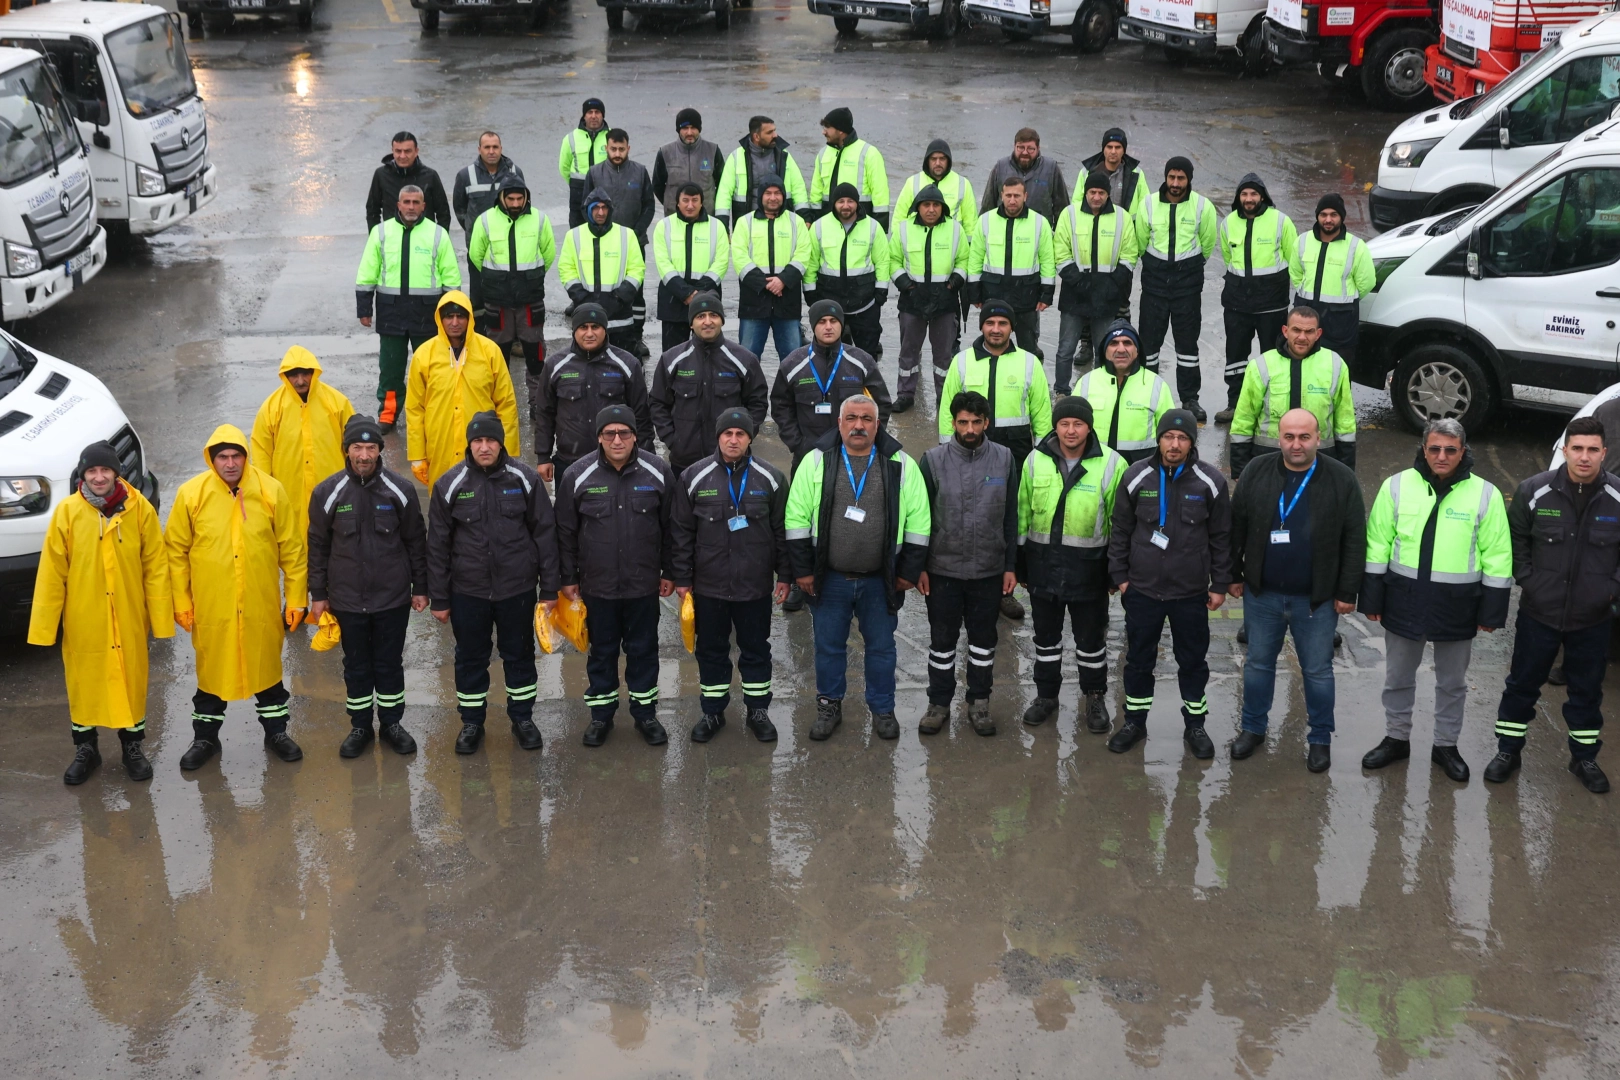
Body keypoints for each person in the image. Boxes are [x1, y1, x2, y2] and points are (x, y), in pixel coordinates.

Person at [1359, 419, 1510, 784]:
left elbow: (1498, 554)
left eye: (1451, 450)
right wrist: (1373, 596)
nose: (1442, 456)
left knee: (1452, 683)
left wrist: (1492, 609)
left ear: (1463, 451)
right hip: (1402, 600)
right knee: (1397, 677)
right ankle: (1397, 738)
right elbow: (1378, 543)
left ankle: (1446, 745)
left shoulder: (1485, 494)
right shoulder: (1395, 486)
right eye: (1434, 449)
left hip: (1458, 604)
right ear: (1423, 449)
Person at [784, 395, 930, 742]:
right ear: (839, 423)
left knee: (881, 647)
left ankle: (882, 709)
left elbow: (920, 522)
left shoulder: (900, 464)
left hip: (881, 582)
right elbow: (796, 518)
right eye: (851, 418)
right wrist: (803, 571)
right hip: (829, 579)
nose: (859, 425)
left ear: (878, 425)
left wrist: (908, 572)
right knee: (828, 646)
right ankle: (829, 705)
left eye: (867, 418)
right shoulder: (815, 462)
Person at [1227, 409, 1364, 772]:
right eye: (1289, 436)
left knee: (1317, 671)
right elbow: (1235, 527)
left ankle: (1320, 738)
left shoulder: (1341, 479)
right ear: (1279, 437)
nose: (1296, 444)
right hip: (1262, 595)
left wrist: (1347, 592)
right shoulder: (1257, 471)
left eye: (1304, 437)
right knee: (1257, 665)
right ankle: (1253, 728)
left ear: (1319, 438)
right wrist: (1232, 575)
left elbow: (1354, 540)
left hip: (1316, 600)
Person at [1488, 416, 1620, 792]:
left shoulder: (1618, 497)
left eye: (1592, 449)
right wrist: (1529, 580)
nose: (1584, 457)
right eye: (1577, 448)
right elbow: (1513, 541)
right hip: (1539, 615)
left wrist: (1610, 590)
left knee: (1587, 692)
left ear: (1603, 453)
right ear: (1565, 450)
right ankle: (1507, 752)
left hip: (1592, 619)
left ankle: (1584, 758)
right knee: (1521, 686)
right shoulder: (1534, 491)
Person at [28, 441, 172, 785]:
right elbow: (52, 573)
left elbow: (155, 566)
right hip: (84, 618)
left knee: (131, 682)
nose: (98, 477)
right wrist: (44, 627)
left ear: (115, 473)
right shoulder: (67, 513)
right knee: (83, 685)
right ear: (83, 474)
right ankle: (86, 750)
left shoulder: (139, 511)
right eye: (91, 470)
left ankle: (132, 748)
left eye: (104, 470)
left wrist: (162, 619)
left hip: (128, 615)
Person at [165, 424, 307, 771]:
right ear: (212, 460)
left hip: (260, 605)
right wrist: (181, 602)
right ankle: (205, 738)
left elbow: (292, 549)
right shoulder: (191, 495)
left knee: (268, 676)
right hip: (215, 608)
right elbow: (175, 553)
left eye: (236, 456)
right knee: (212, 677)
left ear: (245, 456)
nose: (230, 464)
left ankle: (276, 733)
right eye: (223, 457)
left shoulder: (270, 491)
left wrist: (297, 598)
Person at [427, 412, 558, 755]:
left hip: (517, 588)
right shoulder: (449, 484)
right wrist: (439, 598)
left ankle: (523, 719)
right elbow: (438, 545)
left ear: (502, 443)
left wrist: (549, 590)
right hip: (468, 591)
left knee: (519, 655)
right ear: (469, 444)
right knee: (470, 658)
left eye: (491, 440)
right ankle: (472, 723)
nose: (484, 447)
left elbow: (545, 534)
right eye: (478, 441)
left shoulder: (526, 479)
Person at [1106, 410, 1231, 759]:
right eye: (1168, 437)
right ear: (1159, 439)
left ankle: (1195, 724)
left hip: (1190, 593)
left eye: (1182, 438)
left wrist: (1219, 584)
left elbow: (1221, 538)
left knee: (1192, 661)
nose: (1174, 444)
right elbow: (1121, 531)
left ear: (1191, 443)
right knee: (1138, 660)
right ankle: (1134, 721)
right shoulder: (1135, 477)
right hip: (1143, 591)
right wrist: (1121, 578)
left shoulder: (1210, 482)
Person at [306, 415, 429, 759]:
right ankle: (360, 725)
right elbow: (316, 545)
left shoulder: (399, 491)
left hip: (392, 598)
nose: (364, 455)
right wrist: (318, 594)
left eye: (370, 447)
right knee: (356, 666)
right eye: (357, 448)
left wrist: (421, 587)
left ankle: (391, 724)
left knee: (389, 664)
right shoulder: (327, 493)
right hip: (346, 600)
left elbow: (416, 541)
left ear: (380, 450)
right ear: (346, 451)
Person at [555, 405, 677, 748]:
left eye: (624, 432)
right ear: (599, 438)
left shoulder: (658, 471)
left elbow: (673, 528)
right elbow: (564, 533)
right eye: (609, 433)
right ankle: (601, 716)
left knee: (643, 650)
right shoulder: (577, 476)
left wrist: (671, 571)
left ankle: (645, 714)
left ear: (635, 435)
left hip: (643, 584)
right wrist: (568, 578)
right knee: (602, 652)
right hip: (597, 586)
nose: (617, 439)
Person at [670, 408, 792, 743]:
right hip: (709, 587)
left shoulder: (770, 478)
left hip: (754, 586)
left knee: (756, 648)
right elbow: (680, 532)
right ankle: (712, 711)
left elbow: (782, 530)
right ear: (718, 436)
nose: (734, 440)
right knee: (711, 649)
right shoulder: (693, 477)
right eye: (728, 434)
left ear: (750, 438)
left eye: (740, 434)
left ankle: (758, 710)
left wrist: (785, 576)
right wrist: (682, 578)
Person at [1017, 397, 1126, 733]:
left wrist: (1114, 572)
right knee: (1045, 640)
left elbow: (1119, 524)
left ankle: (1094, 698)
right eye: (1064, 423)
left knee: (1091, 642)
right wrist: (1020, 565)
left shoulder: (1111, 464)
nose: (1070, 430)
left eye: (1078, 424)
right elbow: (1022, 515)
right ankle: (1046, 697)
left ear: (1089, 426)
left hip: (1089, 571)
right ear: (1055, 426)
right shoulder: (1035, 461)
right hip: (1043, 569)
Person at [917, 391, 1018, 737]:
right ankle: (939, 703)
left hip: (988, 571)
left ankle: (980, 702)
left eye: (977, 422)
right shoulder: (931, 461)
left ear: (987, 422)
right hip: (942, 571)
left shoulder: (1005, 459)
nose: (970, 428)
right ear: (953, 422)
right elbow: (919, 520)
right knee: (942, 642)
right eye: (963, 422)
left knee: (983, 642)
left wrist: (1010, 566)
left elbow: (1011, 517)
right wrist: (919, 567)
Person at [355, 185, 460, 432]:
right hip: (391, 312)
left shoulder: (437, 234)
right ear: (398, 205)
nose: (411, 207)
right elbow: (367, 271)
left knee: (430, 369)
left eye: (416, 202)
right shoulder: (381, 233)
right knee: (390, 369)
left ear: (424, 206)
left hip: (428, 314)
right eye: (406, 202)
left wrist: (451, 313)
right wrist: (364, 308)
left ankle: (430, 412)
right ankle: (388, 414)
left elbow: (451, 277)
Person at [406, 292, 521, 488]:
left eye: (460, 316)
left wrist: (508, 450)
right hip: (440, 446)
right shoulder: (424, 355)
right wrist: (417, 455)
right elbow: (415, 409)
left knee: (484, 505)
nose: (455, 322)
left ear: (470, 319)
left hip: (482, 448)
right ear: (440, 319)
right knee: (443, 507)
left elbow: (506, 404)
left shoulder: (489, 351)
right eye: (449, 316)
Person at [1228, 305, 1355, 481]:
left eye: (1309, 331)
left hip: (1320, 461)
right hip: (1268, 460)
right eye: (1296, 330)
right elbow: (1244, 419)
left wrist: (1346, 470)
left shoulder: (1335, 365)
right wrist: (1240, 469)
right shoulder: (1262, 365)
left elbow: (1345, 422)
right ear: (1285, 331)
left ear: (1318, 334)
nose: (1302, 337)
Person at [1134, 156, 1217, 421]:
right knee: (1149, 344)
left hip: (1187, 286)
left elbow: (1207, 243)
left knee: (1187, 345)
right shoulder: (1148, 203)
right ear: (1165, 177)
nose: (1176, 183)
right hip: (1154, 285)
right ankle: (1147, 394)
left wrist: (1187, 268)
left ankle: (1190, 399)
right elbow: (1140, 240)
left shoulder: (1202, 206)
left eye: (1181, 178)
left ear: (1189, 179)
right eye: (1172, 177)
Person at [533, 303, 655, 483]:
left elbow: (641, 415)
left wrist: (646, 457)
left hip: (617, 463)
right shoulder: (555, 365)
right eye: (583, 327)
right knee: (568, 512)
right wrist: (543, 457)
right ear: (574, 330)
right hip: (570, 462)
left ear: (605, 330)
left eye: (595, 327)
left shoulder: (628, 364)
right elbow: (544, 412)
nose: (589, 333)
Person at [467, 176, 557, 419]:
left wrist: (529, 279)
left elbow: (548, 253)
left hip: (530, 301)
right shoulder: (485, 220)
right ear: (502, 198)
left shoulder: (539, 219)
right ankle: (497, 405)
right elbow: (476, 255)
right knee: (497, 355)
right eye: (511, 198)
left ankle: (537, 405)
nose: (516, 203)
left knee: (535, 353)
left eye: (520, 198)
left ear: (526, 197)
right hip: (498, 302)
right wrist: (499, 282)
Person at [650, 292, 769, 473]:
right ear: (691, 323)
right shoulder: (672, 359)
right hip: (684, 461)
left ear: (721, 320)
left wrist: (744, 436)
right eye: (700, 316)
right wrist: (673, 440)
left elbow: (758, 403)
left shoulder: (744, 360)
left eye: (713, 315)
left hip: (731, 460)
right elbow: (658, 403)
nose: (707, 321)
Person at [250, 345, 355, 542]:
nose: (300, 381)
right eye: (293, 375)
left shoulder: (337, 402)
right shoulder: (272, 408)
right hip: (289, 491)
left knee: (337, 541)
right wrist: (264, 492)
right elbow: (261, 451)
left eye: (305, 373)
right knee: (295, 544)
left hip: (334, 488)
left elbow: (355, 444)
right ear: (285, 376)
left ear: (313, 373)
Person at [1216, 174, 1299, 424]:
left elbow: (1292, 257)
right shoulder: (1229, 222)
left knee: (1273, 356)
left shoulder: (1280, 221)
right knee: (1236, 357)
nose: (1249, 199)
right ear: (1238, 197)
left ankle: (1274, 404)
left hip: (1271, 304)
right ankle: (1235, 403)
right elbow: (1227, 257)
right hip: (1236, 303)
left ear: (1262, 196)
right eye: (1244, 194)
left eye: (1253, 194)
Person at [1053, 170, 1141, 395]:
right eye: (1092, 192)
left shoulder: (1121, 217)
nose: (1096, 197)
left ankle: (1103, 390)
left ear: (1108, 194)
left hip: (1106, 296)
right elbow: (1060, 252)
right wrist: (1079, 282)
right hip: (1074, 293)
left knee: (1105, 348)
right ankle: (1062, 391)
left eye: (1101, 192)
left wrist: (1111, 286)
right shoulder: (1069, 215)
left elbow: (1130, 254)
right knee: (1066, 349)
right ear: (1086, 192)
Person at [936, 299, 1053, 466]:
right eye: (990, 323)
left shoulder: (1030, 362)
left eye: (1003, 323)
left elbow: (1042, 413)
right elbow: (948, 408)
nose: (996, 329)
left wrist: (1043, 454)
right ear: (982, 327)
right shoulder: (961, 361)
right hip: (971, 444)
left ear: (1012, 327)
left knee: (1014, 493)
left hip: (1017, 450)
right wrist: (946, 450)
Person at [889, 183, 969, 413]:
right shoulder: (904, 229)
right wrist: (904, 283)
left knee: (944, 355)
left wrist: (954, 282)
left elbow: (964, 260)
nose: (931, 209)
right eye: (926, 205)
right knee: (908, 352)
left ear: (942, 207)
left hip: (945, 301)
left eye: (936, 205)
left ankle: (944, 396)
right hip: (911, 300)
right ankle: (905, 395)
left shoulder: (955, 230)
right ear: (918, 207)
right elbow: (893, 260)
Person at [584, 131, 656, 355]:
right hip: (602, 245)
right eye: (613, 149)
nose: (617, 153)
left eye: (621, 149)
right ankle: (603, 334)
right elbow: (585, 206)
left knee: (636, 292)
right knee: (606, 291)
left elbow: (649, 206)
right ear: (606, 148)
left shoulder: (640, 172)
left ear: (628, 148)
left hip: (634, 243)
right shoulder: (594, 173)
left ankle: (636, 337)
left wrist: (634, 234)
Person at [969, 177, 1055, 360]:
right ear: (1002, 195)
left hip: (1027, 296)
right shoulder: (985, 221)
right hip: (993, 294)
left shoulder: (1039, 223)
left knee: (1028, 350)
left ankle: (1030, 382)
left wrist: (1046, 294)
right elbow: (975, 258)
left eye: (1017, 195)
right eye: (1008, 195)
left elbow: (1048, 260)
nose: (1012, 200)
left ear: (1025, 196)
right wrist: (974, 292)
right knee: (992, 345)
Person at [805, 182, 891, 362]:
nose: (845, 206)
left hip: (865, 303)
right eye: (841, 201)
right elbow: (811, 262)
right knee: (831, 355)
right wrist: (810, 292)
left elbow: (882, 261)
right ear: (834, 204)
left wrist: (881, 292)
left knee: (867, 356)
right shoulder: (819, 226)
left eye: (850, 201)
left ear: (857, 203)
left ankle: (866, 388)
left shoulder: (873, 227)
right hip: (830, 302)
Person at [732, 175, 811, 364]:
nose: (773, 197)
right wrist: (765, 284)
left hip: (787, 299)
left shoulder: (796, 222)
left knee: (793, 359)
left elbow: (803, 254)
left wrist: (783, 280)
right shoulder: (745, 222)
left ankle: (792, 394)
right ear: (760, 197)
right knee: (748, 359)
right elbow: (739, 257)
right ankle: (749, 394)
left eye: (777, 193)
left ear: (783, 196)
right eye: (768, 193)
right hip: (754, 300)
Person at [559, 187, 647, 356]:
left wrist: (619, 297)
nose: (600, 212)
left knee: (624, 365)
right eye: (596, 208)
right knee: (588, 367)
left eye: (604, 207)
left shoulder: (626, 235)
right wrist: (582, 297)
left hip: (620, 314)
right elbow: (566, 268)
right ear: (588, 211)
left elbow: (637, 268)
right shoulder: (574, 236)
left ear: (610, 210)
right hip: (586, 312)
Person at [452, 131, 524, 329]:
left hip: (508, 248)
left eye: (495, 147)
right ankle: (480, 336)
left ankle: (513, 337)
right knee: (479, 296)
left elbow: (522, 204)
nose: (491, 151)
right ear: (479, 149)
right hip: (479, 250)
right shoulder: (465, 175)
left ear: (501, 148)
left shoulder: (514, 172)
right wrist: (473, 231)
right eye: (487, 147)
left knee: (510, 295)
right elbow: (460, 209)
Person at [1292, 193, 1375, 365]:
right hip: (1306, 321)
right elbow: (1296, 273)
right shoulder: (1302, 241)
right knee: (1305, 374)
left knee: (1338, 376)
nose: (1328, 220)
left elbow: (1366, 283)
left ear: (1341, 217)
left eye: (1333, 215)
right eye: (1323, 214)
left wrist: (1343, 302)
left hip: (1341, 325)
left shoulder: (1356, 246)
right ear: (1317, 216)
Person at [1074, 320, 1172, 464]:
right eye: (1113, 343)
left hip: (1141, 469)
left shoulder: (1157, 385)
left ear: (1137, 350)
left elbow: (1170, 434)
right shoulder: (1087, 382)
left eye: (1127, 343)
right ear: (1104, 350)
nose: (1120, 349)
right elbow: (1071, 427)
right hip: (1094, 467)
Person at [651, 183, 729, 352]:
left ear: (702, 202)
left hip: (707, 297)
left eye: (695, 200)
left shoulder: (717, 227)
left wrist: (698, 295)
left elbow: (721, 262)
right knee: (673, 353)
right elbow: (663, 263)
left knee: (708, 352)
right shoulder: (664, 226)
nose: (690, 205)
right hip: (673, 297)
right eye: (685, 200)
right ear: (677, 203)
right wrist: (685, 293)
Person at [716, 115, 809, 229]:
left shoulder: (783, 156)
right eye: (770, 132)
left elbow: (798, 187)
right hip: (747, 225)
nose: (775, 135)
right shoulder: (736, 157)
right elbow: (724, 193)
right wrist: (722, 226)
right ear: (756, 136)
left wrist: (805, 218)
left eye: (774, 131)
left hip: (781, 224)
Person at [808, 108, 890, 227]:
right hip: (828, 224)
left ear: (840, 130)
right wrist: (813, 221)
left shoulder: (869, 153)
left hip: (861, 223)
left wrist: (880, 227)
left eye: (827, 128)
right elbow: (816, 191)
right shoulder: (822, 154)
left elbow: (880, 193)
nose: (824, 132)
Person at [981, 127, 1070, 224]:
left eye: (1030, 148)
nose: (1025, 152)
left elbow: (1062, 206)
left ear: (1038, 148)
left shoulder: (1051, 168)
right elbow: (988, 204)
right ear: (1014, 146)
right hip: (1005, 230)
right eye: (1021, 147)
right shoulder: (1001, 167)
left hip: (1039, 232)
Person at [365, 131, 451, 231]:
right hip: (392, 239)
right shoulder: (381, 175)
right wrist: (376, 238)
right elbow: (372, 211)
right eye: (398, 151)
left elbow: (443, 213)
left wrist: (439, 239)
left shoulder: (430, 176)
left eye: (407, 151)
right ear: (392, 151)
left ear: (416, 151)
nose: (402, 156)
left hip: (424, 239)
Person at [652, 108, 724, 216]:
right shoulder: (665, 152)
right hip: (674, 217)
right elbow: (657, 186)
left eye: (693, 128)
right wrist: (671, 204)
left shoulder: (713, 150)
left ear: (699, 129)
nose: (689, 132)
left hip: (706, 217)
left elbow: (723, 185)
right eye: (685, 128)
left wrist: (710, 204)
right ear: (678, 130)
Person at [893, 139, 977, 230]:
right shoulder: (912, 182)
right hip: (917, 241)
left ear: (948, 161)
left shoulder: (963, 184)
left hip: (950, 241)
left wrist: (968, 243)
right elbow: (899, 217)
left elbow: (970, 222)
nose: (938, 163)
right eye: (933, 159)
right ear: (927, 161)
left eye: (942, 159)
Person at [559, 97, 611, 229]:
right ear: (584, 115)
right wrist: (576, 185)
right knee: (579, 236)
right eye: (590, 112)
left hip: (606, 194)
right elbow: (564, 168)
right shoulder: (570, 138)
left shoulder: (611, 136)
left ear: (602, 115)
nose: (593, 116)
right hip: (579, 196)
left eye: (597, 112)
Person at [1079, 127, 1148, 218]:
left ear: (1124, 150)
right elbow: (1077, 202)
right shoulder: (1087, 172)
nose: (1113, 151)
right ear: (1103, 149)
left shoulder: (1136, 173)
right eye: (1109, 147)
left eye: (1118, 147)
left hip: (1125, 228)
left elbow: (1145, 204)